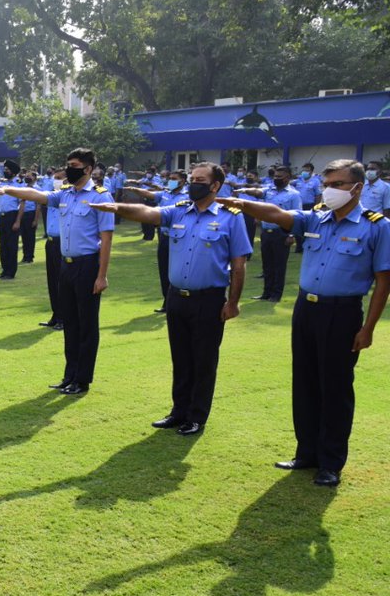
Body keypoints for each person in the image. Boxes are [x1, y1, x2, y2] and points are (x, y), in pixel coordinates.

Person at [219, 159, 390, 486]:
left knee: (336, 388)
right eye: (328, 183)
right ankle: (307, 453)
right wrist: (241, 203)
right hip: (306, 310)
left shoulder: (376, 226)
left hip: (342, 313)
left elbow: (384, 281)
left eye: (338, 184)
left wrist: (368, 328)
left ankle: (330, 463)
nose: (330, 190)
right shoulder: (315, 218)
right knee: (306, 382)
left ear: (358, 187)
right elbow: (275, 214)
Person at [92, 162, 250, 435]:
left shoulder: (230, 217)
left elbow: (239, 265)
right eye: (192, 178)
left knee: (203, 360)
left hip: (209, 299)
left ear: (215, 186)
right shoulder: (178, 212)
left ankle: (197, 416)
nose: (193, 183)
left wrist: (233, 302)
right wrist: (118, 208)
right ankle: (179, 411)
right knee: (181, 357)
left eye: (200, 179)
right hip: (177, 298)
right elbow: (148, 212)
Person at [0, 148, 113, 394]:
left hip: (87, 265)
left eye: (75, 164)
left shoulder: (100, 196)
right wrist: (4, 190)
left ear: (88, 169)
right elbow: (36, 195)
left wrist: (101, 275)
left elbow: (106, 238)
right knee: (70, 323)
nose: (69, 168)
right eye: (68, 164)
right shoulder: (65, 194)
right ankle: (70, 375)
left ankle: (82, 379)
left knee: (87, 325)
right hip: (65, 265)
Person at [124, 170, 188, 312]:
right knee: (164, 270)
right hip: (164, 237)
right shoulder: (165, 193)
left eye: (174, 179)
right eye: (170, 178)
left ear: (183, 181)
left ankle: (181, 302)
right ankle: (167, 302)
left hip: (179, 238)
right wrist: (135, 189)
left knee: (178, 271)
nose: (170, 181)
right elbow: (150, 195)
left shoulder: (188, 196)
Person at [235, 165, 301, 302]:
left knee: (279, 265)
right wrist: (243, 190)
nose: (276, 179)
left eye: (279, 177)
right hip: (266, 232)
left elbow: (298, 215)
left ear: (287, 177)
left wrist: (291, 235)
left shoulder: (293, 194)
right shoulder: (269, 190)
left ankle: (276, 294)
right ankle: (266, 293)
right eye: (275, 176)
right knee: (267, 265)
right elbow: (258, 192)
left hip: (281, 233)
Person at [36, 169, 66, 329]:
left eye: (59, 178)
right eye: (55, 179)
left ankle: (64, 318)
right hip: (51, 242)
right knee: (52, 281)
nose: (56, 181)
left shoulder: (68, 197)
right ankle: (56, 315)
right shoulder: (52, 196)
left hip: (63, 243)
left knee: (62, 282)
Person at [0, 160, 23, 279]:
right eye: (4, 170)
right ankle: (4, 270)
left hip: (12, 216)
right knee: (3, 245)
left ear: (13, 171)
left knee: (11, 245)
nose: (5, 172)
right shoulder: (3, 184)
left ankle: (11, 272)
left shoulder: (19, 184)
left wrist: (17, 221)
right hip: (3, 216)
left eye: (7, 170)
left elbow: (22, 204)